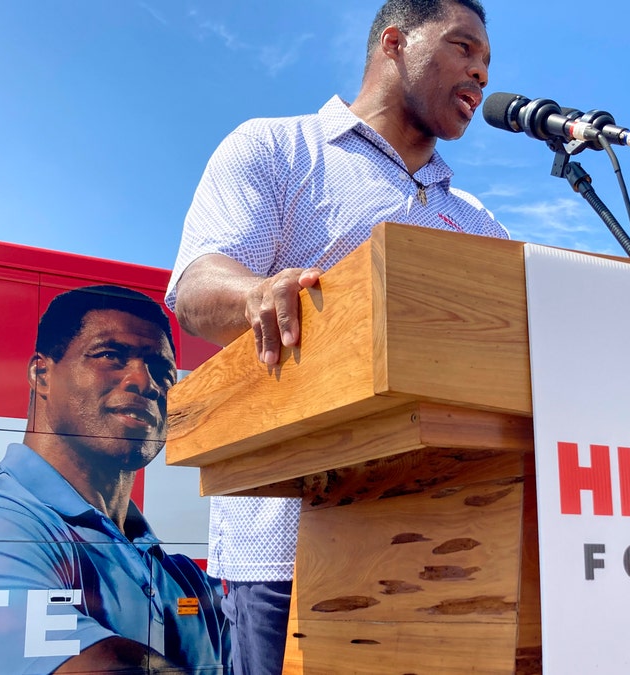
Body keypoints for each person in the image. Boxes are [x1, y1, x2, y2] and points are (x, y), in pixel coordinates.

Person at [166, 1, 502, 672]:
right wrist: (258, 293)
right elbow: (197, 285)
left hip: (444, 554)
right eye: (464, 48)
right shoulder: (277, 149)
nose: (481, 73)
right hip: (285, 553)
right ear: (395, 42)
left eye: (488, 62)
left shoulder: (477, 221)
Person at [0, 286, 229, 674]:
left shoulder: (182, 576)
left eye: (162, 370)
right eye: (110, 356)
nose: (145, 382)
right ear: (41, 374)